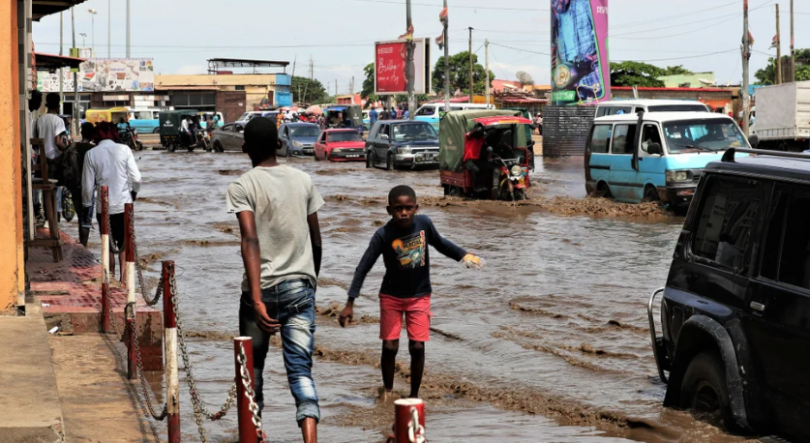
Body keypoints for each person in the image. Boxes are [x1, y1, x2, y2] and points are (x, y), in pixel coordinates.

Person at [227, 117, 323, 443]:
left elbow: (249, 241)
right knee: (300, 372)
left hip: (260, 291)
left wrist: (256, 300)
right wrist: (311, 282)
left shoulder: (242, 186)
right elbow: (317, 239)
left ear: (244, 149)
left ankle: (254, 436)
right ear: (279, 144)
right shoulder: (303, 180)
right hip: (300, 287)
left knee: (253, 373)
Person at [338, 186, 481, 401]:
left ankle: (414, 395)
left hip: (420, 296)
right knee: (389, 345)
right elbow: (363, 267)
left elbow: (441, 244)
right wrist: (350, 301)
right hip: (391, 297)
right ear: (389, 210)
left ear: (416, 208)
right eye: (398, 209)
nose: (403, 212)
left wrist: (464, 256)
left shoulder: (424, 225)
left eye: (408, 208)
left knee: (416, 346)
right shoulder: (383, 235)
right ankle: (387, 392)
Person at [82, 121, 142, 283]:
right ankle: (124, 281)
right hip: (124, 206)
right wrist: (133, 194)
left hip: (104, 207)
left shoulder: (91, 154)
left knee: (107, 244)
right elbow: (136, 178)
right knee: (123, 243)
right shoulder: (124, 150)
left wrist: (87, 208)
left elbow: (87, 187)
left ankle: (110, 281)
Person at [34, 93, 68, 219]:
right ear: (58, 106)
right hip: (53, 162)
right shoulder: (58, 121)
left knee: (44, 189)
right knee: (56, 189)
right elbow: (58, 142)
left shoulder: (39, 120)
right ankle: (55, 215)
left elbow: (36, 143)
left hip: (40, 161)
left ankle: (47, 216)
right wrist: (68, 150)